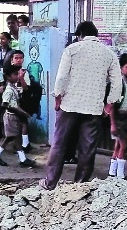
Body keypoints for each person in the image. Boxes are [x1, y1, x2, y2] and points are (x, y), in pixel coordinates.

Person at [40, 21, 122, 190]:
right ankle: (80, 186)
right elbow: (116, 83)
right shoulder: (109, 53)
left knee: (59, 145)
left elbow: (62, 77)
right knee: (87, 149)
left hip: (70, 105)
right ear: (96, 35)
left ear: (80, 34)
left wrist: (57, 98)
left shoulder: (72, 50)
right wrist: (109, 104)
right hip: (94, 108)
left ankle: (49, 183)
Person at [0, 64, 36, 168]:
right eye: (15, 74)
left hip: (14, 117)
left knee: (12, 137)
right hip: (11, 117)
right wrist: (20, 112)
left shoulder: (13, 88)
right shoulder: (9, 90)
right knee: (13, 137)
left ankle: (18, 158)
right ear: (8, 76)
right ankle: (21, 159)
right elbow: (5, 104)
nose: (17, 76)